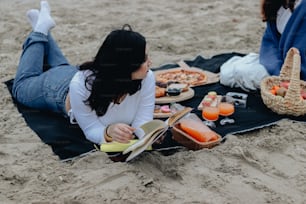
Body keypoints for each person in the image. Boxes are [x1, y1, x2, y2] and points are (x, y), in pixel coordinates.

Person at [12, 1, 155, 145]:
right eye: (144, 59)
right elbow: (90, 129)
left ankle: (42, 25)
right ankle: (40, 31)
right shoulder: (82, 85)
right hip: (57, 90)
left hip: (80, 74)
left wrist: (149, 136)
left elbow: (143, 121)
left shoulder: (147, 78)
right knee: (21, 86)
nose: (150, 63)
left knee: (61, 67)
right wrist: (108, 131)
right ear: (126, 66)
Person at [259, 0, 306, 79]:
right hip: (278, 65)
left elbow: (301, 54)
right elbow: (270, 41)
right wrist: (276, 68)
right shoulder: (277, 4)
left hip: (297, 74)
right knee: (236, 68)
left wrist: (284, 75)